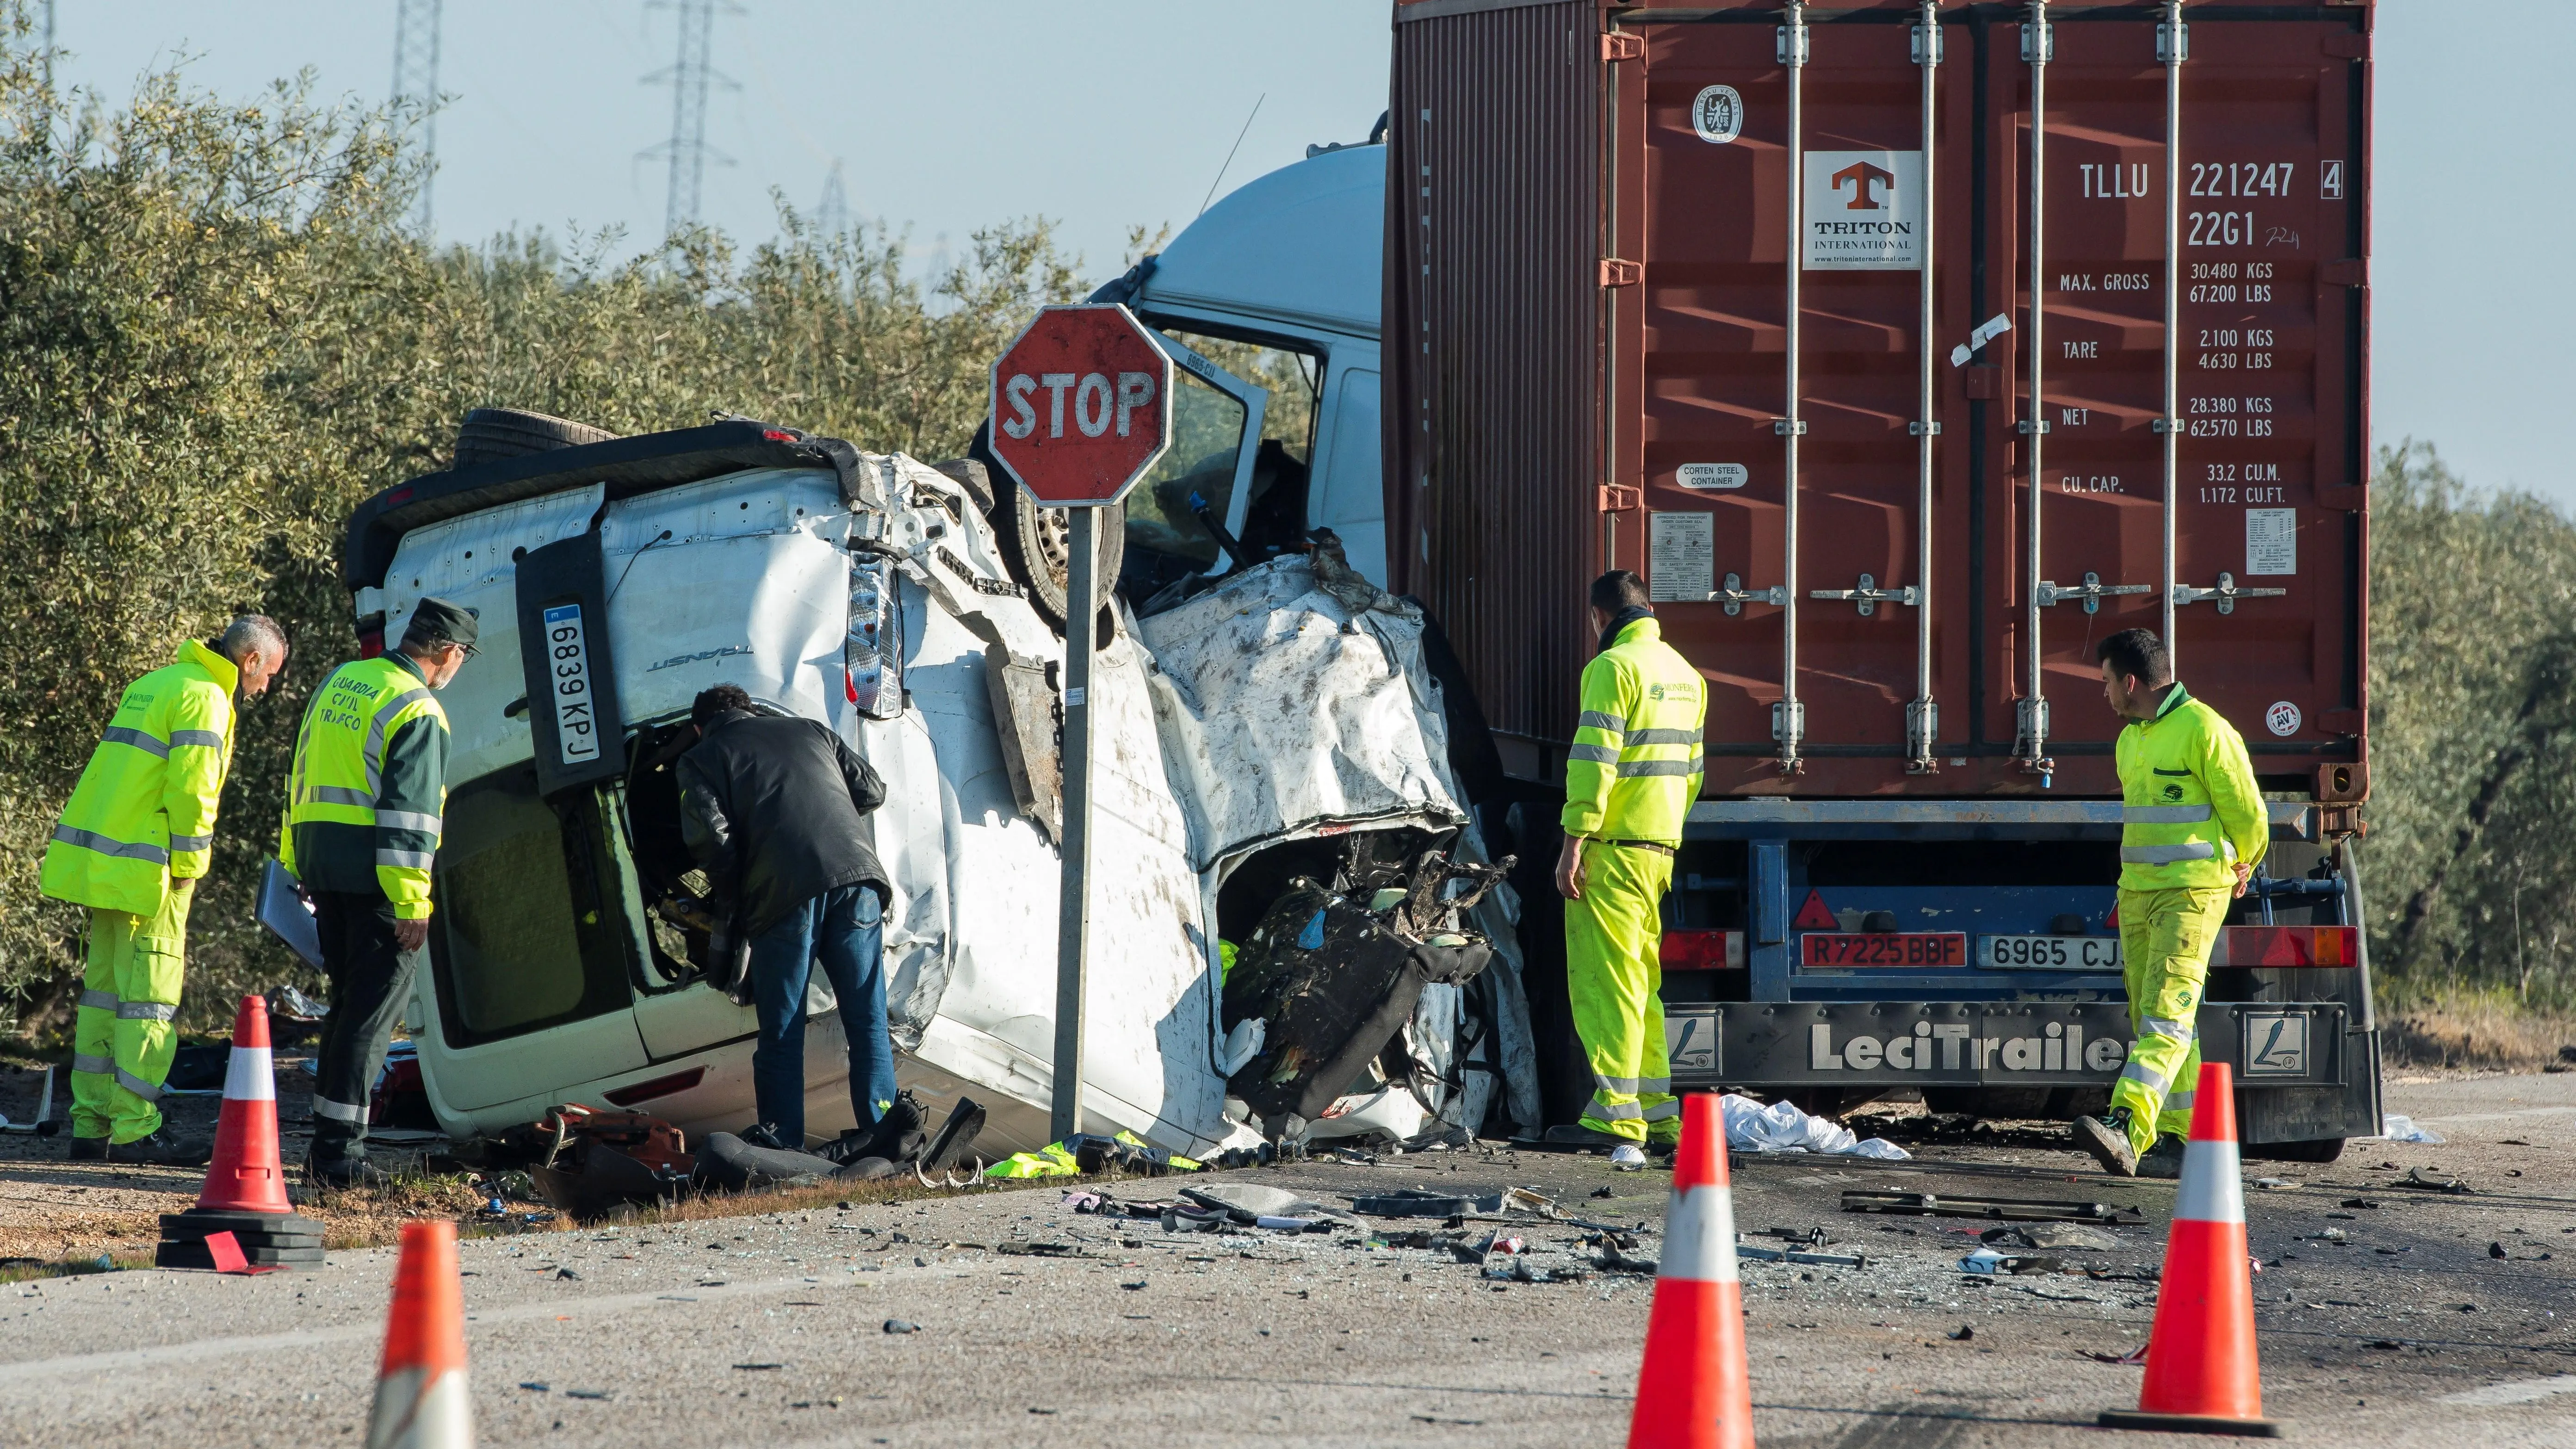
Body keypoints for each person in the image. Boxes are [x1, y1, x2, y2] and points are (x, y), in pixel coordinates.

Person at [43, 615, 290, 1164]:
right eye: (269, 674)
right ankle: (136, 1129)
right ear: (250, 661)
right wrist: (190, 866)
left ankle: (91, 1123)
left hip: (108, 867)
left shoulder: (154, 684)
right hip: (153, 872)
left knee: (103, 996)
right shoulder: (208, 698)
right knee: (148, 1001)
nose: (266, 687)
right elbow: (192, 794)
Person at [279, 598, 471, 1189]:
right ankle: (341, 1157)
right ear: (450, 653)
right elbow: (411, 818)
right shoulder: (419, 708)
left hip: (324, 868)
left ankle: (328, 1147)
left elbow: (301, 772)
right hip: (377, 882)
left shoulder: (344, 679)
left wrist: (294, 861)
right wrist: (414, 904)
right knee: (372, 1017)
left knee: (345, 1007)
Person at [676, 683, 904, 1156]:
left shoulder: (701, 758)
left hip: (782, 897)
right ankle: (888, 1138)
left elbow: (713, 842)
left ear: (700, 728)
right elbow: (872, 789)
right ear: (750, 708)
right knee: (867, 1020)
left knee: (782, 1032)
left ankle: (784, 1147)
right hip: (858, 881)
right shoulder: (810, 730)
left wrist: (736, 898)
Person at [2072, 628, 2266, 1178]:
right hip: (2137, 896)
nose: (2105, 693)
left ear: (2131, 682)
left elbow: (2250, 817)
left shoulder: (2205, 730)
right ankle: (2182, 1142)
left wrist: (2242, 862)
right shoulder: (2130, 741)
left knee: (2165, 1018)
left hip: (2190, 896)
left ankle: (2128, 1127)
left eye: (2107, 681)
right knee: (2156, 1018)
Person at [1549, 571, 1706, 1170]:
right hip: (1658, 849)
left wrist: (1574, 843)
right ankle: (1659, 1110)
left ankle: (1616, 1114)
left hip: (1611, 850)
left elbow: (1593, 763)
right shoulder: (1687, 675)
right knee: (1643, 985)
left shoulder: (1613, 669)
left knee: (1606, 981)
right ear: (1649, 610)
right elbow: (1691, 778)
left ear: (1599, 617)